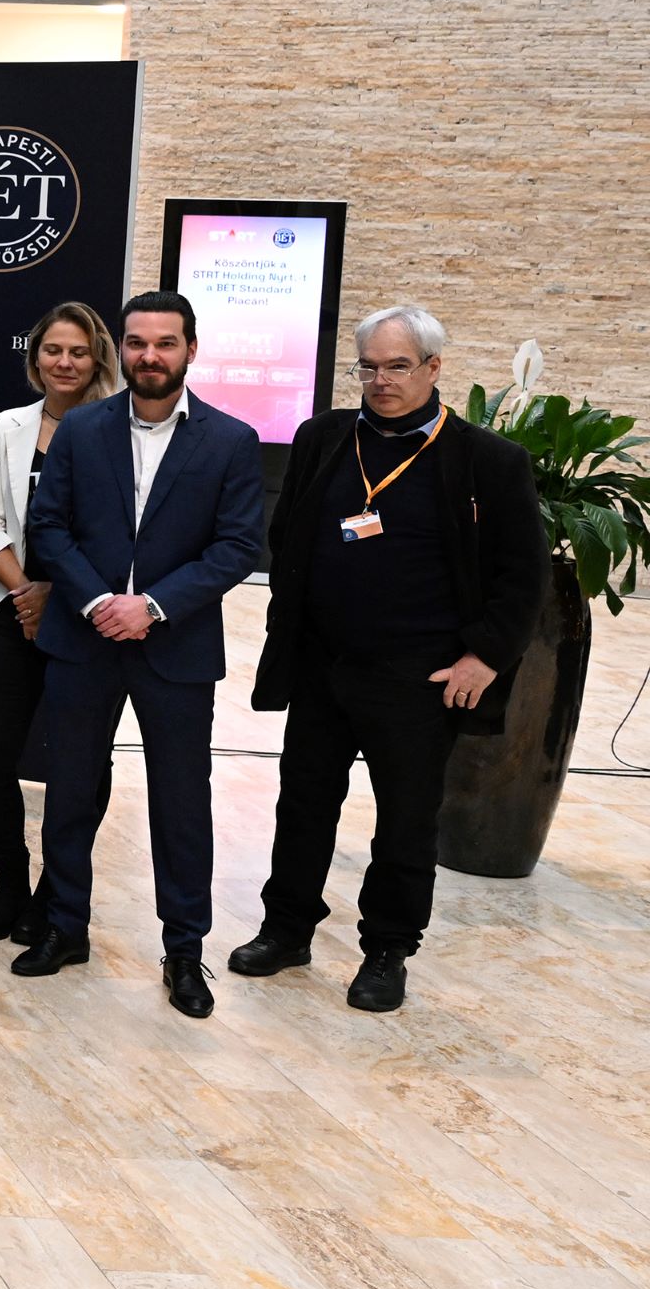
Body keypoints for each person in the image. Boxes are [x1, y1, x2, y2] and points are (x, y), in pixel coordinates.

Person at [229, 305, 543, 1014]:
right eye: (368, 367)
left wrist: (484, 657)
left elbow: (522, 575)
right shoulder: (324, 437)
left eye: (397, 366)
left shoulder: (488, 460)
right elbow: (289, 536)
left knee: (405, 820)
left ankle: (387, 950)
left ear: (434, 367)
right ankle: (287, 930)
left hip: (419, 678)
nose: (381, 380)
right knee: (302, 804)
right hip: (323, 665)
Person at [13, 291, 265, 1020]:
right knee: (69, 792)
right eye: (136, 342)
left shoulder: (231, 440)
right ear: (120, 348)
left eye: (165, 342)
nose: (149, 355)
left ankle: (184, 949)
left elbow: (237, 546)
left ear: (191, 349)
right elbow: (48, 526)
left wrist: (150, 605)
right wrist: (99, 601)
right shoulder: (81, 428)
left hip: (175, 646)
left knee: (181, 805)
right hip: (83, 638)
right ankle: (65, 927)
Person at [0, 302, 119, 943]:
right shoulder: (11, 425)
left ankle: (57, 892)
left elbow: (119, 537)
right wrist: (28, 593)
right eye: (54, 350)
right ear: (35, 358)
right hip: (12, 611)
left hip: (90, 620)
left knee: (82, 765)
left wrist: (62, 596)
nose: (65, 362)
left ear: (98, 358)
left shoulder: (121, 429)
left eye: (79, 352)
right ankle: (11, 885)